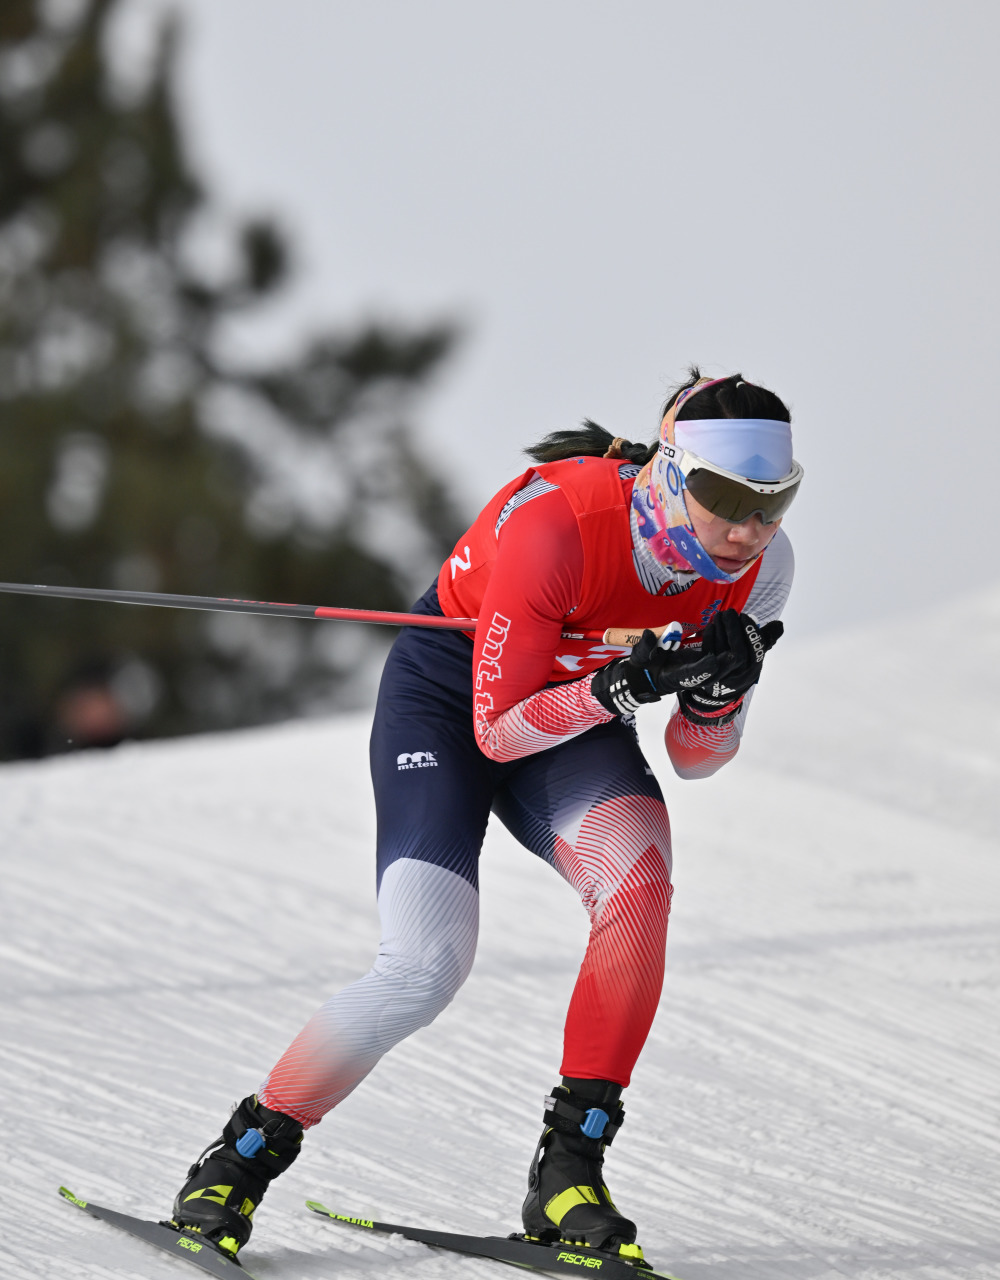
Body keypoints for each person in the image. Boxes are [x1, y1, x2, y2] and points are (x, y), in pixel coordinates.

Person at [169, 368, 801, 1261]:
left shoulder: (763, 570)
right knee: (427, 964)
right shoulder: (559, 525)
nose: (746, 530)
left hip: (577, 712)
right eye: (725, 497)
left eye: (773, 503)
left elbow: (699, 761)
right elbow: (499, 734)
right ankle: (240, 1159)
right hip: (453, 695)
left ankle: (568, 1174)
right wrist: (626, 685)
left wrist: (721, 695)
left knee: (640, 888)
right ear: (670, 472)